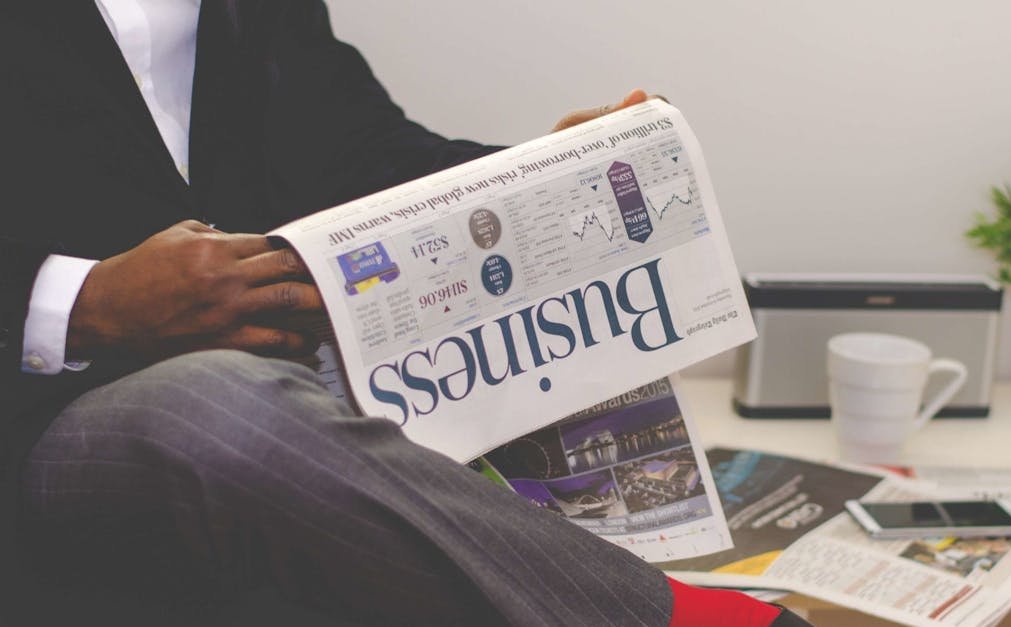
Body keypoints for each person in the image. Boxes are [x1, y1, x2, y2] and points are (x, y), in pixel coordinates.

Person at [1, 2, 813, 625]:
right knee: (217, 408)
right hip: (44, 413)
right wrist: (80, 304)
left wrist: (541, 174)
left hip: (293, 394)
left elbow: (362, 154)